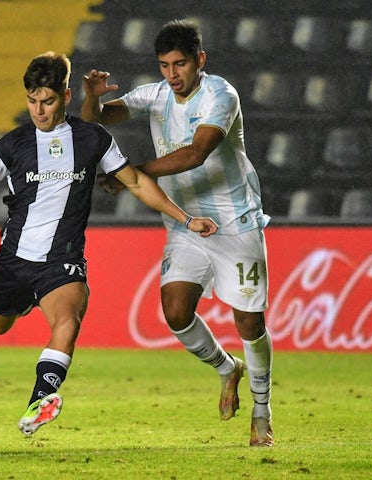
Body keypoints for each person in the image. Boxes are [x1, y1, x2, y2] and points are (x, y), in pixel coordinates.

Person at [0, 51, 218, 436]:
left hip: (62, 261)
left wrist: (186, 219)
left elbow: (136, 182)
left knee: (68, 319)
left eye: (46, 101)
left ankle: (40, 401)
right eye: (32, 101)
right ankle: (25, 305)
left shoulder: (93, 138)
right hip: (14, 259)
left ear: (64, 95)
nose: (39, 110)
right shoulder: (13, 144)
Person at [81, 20, 274, 447]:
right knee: (175, 311)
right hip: (186, 224)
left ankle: (262, 412)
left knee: (249, 321)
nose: (173, 74)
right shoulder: (155, 95)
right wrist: (91, 100)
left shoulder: (220, 96)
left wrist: (133, 174)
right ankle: (228, 369)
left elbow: (196, 152)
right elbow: (97, 121)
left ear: (199, 60)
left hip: (235, 222)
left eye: (181, 64)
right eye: (165, 65)